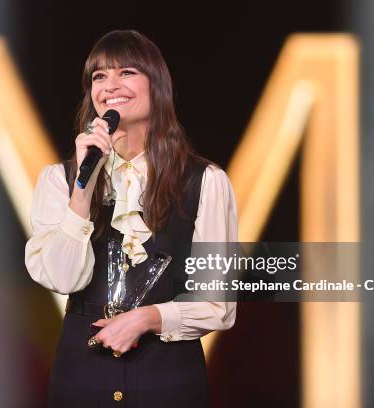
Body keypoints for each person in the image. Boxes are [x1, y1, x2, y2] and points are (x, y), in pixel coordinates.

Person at [25, 29, 238, 407]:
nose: (110, 85)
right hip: (81, 378)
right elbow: (61, 278)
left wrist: (147, 318)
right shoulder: (59, 180)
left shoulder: (205, 182)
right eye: (99, 76)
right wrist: (83, 187)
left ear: (157, 85)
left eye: (126, 72)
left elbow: (217, 304)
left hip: (168, 378)